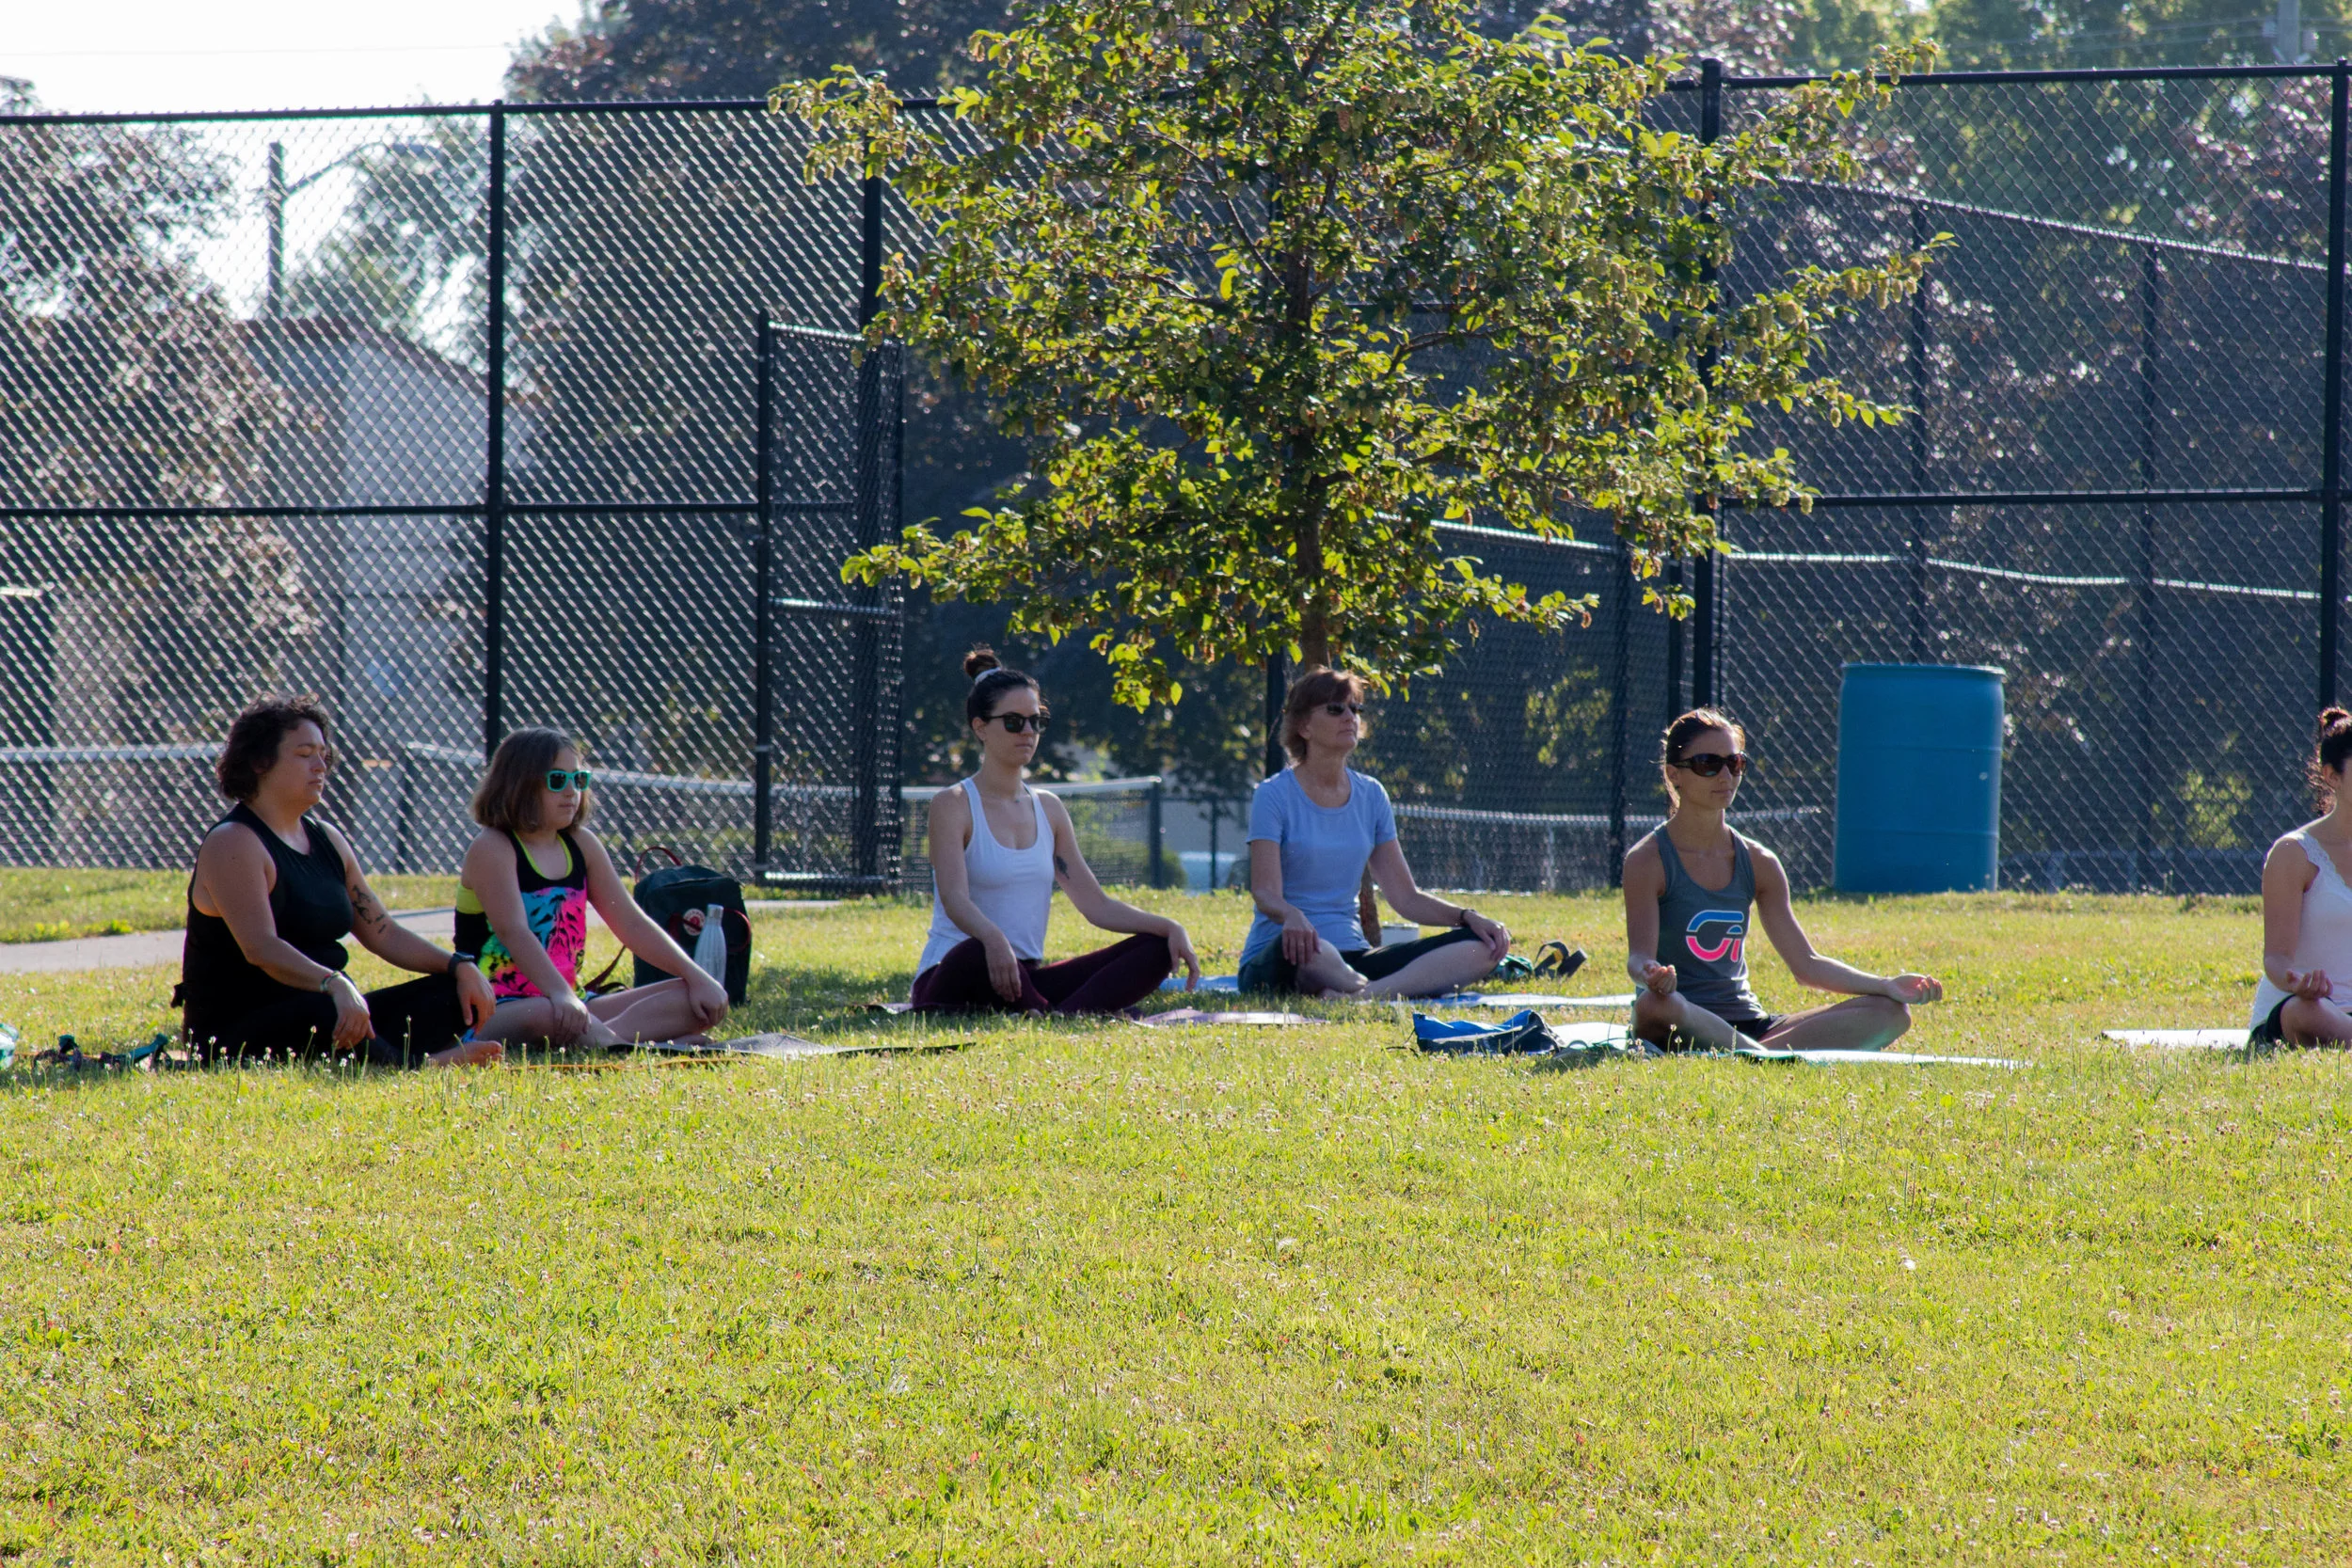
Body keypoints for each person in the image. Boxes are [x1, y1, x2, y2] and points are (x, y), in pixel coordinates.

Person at [177, 698, 503, 1068]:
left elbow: (385, 934)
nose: (320, 766)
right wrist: (334, 983)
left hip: (328, 1003)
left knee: (447, 993)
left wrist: (459, 965)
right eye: (304, 754)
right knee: (327, 1012)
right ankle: (420, 1066)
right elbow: (261, 948)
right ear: (259, 762)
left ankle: (385, 1055)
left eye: (322, 754)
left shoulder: (328, 839)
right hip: (240, 1031)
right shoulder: (234, 841)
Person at [1624, 707, 1943, 1051]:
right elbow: (1637, 958)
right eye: (1707, 763)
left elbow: (1807, 965)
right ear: (1675, 774)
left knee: (1891, 1013)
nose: (1725, 776)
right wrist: (1652, 975)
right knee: (1653, 1006)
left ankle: (1750, 1053)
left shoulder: (1760, 862)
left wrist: (1886, 985)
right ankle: (1757, 1055)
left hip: (1752, 1025)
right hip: (1679, 1014)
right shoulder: (1647, 860)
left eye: (1735, 763)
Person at [912, 649, 1201, 1011]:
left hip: (1024, 979)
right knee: (972, 952)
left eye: (1036, 721)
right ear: (980, 727)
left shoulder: (1049, 808)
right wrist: (993, 938)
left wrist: (1169, 926)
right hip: (959, 972)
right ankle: (1064, 1012)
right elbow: (954, 899)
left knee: (1156, 948)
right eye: (1014, 722)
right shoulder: (951, 804)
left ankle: (1055, 1015)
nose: (1029, 732)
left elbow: (1096, 905)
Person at [1238, 667, 1512, 999]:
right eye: (1336, 709)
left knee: (1481, 946)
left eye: (1355, 709)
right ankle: (1376, 993)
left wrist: (1469, 918)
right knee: (1316, 950)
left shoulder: (1372, 795)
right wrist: (1292, 915)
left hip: (1354, 958)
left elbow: (1406, 899)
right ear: (1303, 726)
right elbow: (1265, 892)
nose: (1350, 717)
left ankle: (1362, 996)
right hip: (1289, 955)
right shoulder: (1273, 794)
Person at [456, 728, 731, 1049]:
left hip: (571, 1002)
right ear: (520, 784)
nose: (572, 791)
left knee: (694, 1000)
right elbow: (513, 931)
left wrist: (696, 975)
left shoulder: (582, 844)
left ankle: (601, 1040)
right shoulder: (493, 847)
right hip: (495, 1007)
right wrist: (560, 995)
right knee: (546, 1013)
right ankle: (624, 1045)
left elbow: (630, 922)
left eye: (579, 779)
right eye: (558, 780)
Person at [2250, 706, 2352, 1047]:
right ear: (2331, 775)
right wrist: (2296, 983)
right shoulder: (2294, 853)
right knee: (2306, 1011)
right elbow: (2276, 959)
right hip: (2307, 1009)